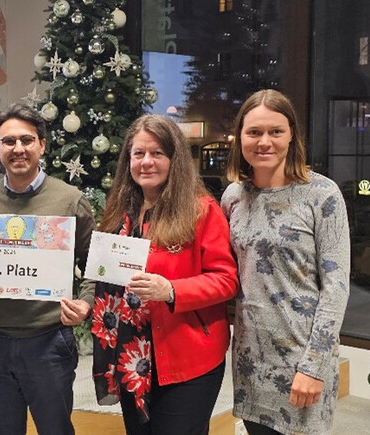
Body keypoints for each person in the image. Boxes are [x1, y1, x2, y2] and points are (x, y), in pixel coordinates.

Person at [0, 102, 96, 435]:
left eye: (27, 140)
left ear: (42, 144)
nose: (18, 148)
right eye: (8, 141)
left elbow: (93, 261)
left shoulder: (69, 199)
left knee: (55, 429)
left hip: (48, 340)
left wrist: (86, 302)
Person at [86, 115, 238, 434]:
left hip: (188, 358)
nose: (146, 162)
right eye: (138, 153)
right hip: (131, 356)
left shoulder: (201, 210)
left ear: (174, 159)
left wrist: (171, 290)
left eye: (157, 153)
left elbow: (226, 280)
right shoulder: (119, 210)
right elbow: (102, 275)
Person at [220, 89, 351, 435]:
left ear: (292, 134)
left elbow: (336, 287)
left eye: (275, 131)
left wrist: (314, 366)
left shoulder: (322, 194)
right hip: (251, 360)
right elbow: (225, 272)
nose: (264, 141)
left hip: (301, 360)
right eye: (254, 132)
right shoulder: (234, 196)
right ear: (241, 138)